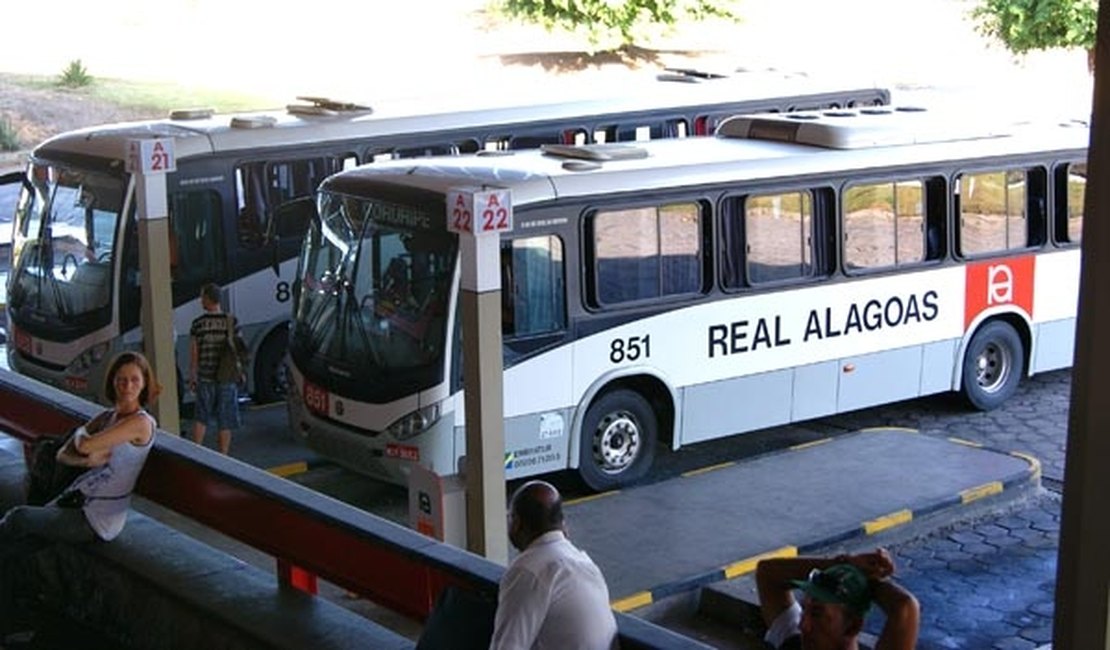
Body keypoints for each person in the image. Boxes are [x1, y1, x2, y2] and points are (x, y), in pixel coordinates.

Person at [0, 350, 159, 554]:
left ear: (144, 383)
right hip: (76, 500)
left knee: (18, 518)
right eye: (122, 380)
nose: (128, 386)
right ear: (113, 382)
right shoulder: (107, 417)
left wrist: (82, 437)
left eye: (135, 380)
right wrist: (85, 460)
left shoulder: (141, 423)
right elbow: (62, 454)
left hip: (97, 519)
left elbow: (83, 445)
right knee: (23, 544)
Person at [490, 480, 619, 650]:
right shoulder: (585, 563)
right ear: (563, 525)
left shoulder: (529, 571)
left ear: (516, 523)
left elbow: (507, 646)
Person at [755, 548, 920, 650]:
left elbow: (905, 607)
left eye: (817, 614)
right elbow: (767, 572)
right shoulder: (795, 644)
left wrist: (869, 580)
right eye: (804, 609)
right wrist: (844, 564)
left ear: (852, 626)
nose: (803, 625)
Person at [189, 282, 241, 455]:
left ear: (208, 299)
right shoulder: (231, 321)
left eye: (202, 297)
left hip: (205, 376)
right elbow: (238, 349)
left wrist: (193, 375)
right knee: (225, 419)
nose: (200, 300)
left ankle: (196, 453)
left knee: (201, 417)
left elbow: (194, 354)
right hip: (226, 377)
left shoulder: (198, 324)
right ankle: (223, 456)